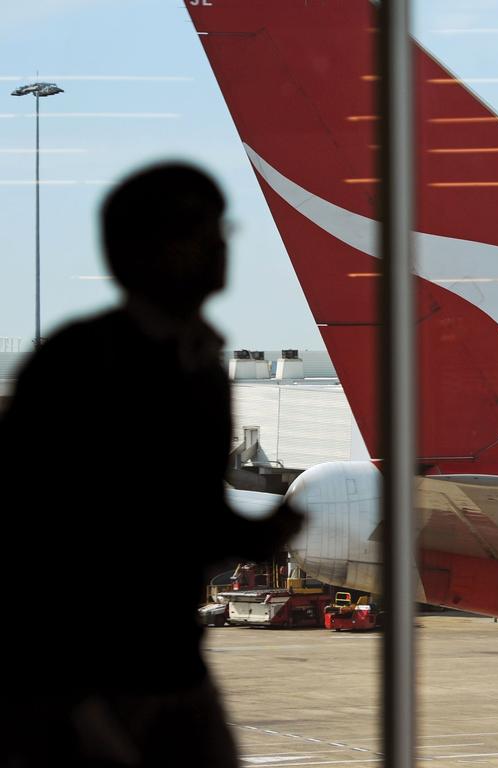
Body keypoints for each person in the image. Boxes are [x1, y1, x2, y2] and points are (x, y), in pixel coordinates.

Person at [0, 163, 303, 767]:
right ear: (143, 252)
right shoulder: (80, 366)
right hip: (93, 678)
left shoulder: (199, 360)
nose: (222, 245)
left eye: (222, 228)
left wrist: (265, 531)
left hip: (169, 665)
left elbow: (183, 513)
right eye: (201, 230)